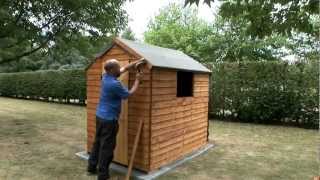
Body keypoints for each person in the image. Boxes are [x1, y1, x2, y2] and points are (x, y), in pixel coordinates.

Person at [87, 59, 145, 180]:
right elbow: (129, 94)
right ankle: (103, 175)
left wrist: (137, 62)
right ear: (112, 70)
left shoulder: (104, 76)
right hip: (109, 120)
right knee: (107, 148)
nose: (120, 69)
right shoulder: (114, 84)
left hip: (100, 116)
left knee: (97, 143)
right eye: (118, 68)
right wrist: (138, 80)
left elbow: (125, 69)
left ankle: (91, 167)